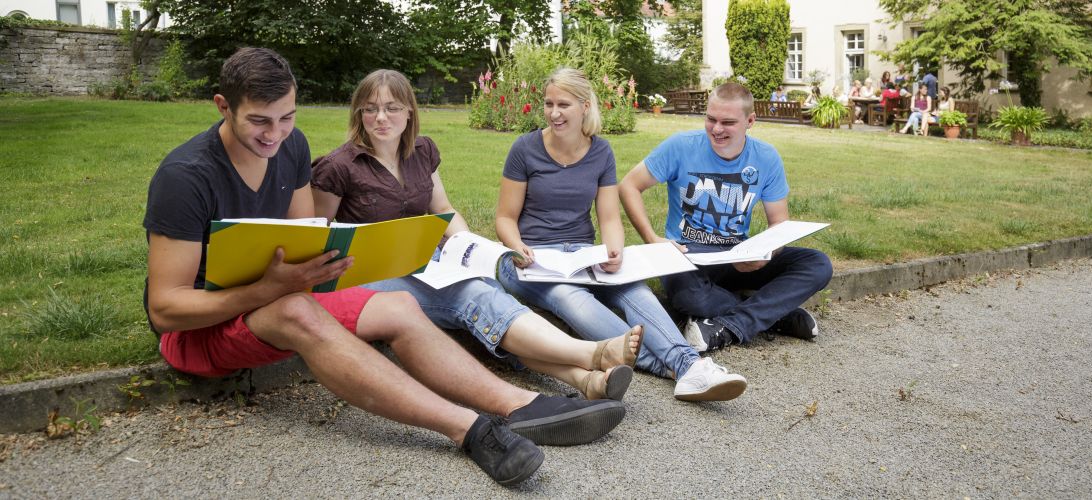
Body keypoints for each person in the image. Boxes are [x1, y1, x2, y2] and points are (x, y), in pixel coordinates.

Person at [142, 48, 624, 488]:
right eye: (258, 121)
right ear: (223, 106)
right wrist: (269, 288)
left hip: (275, 296)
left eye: (286, 117)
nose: (274, 134)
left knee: (398, 305)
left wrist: (316, 267)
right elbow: (166, 311)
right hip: (203, 328)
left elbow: (304, 237)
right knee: (298, 311)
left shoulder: (290, 147)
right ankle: (469, 429)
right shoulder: (186, 177)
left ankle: (519, 405)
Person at [311, 69, 640, 402]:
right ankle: (592, 354)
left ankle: (585, 381)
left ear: (409, 111)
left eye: (391, 108)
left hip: (423, 260)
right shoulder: (339, 166)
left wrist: (470, 247)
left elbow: (443, 209)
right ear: (359, 113)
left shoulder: (421, 151)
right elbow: (316, 234)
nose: (381, 117)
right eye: (370, 109)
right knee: (473, 296)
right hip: (371, 274)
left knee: (488, 290)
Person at [495, 68, 747, 402]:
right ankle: (677, 367)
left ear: (585, 106)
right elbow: (505, 218)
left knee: (634, 289)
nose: (554, 113)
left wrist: (613, 249)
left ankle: (688, 365)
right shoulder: (525, 149)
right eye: (549, 104)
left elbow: (610, 217)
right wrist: (517, 246)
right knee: (572, 299)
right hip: (529, 260)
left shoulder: (600, 152)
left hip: (580, 253)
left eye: (563, 105)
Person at [618, 82, 834, 353]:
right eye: (711, 119)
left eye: (728, 122)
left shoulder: (766, 158)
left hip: (736, 256)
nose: (716, 129)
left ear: (750, 121)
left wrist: (765, 253)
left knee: (817, 264)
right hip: (686, 255)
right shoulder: (681, 146)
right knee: (690, 297)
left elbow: (779, 224)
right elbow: (628, 185)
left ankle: (735, 322)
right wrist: (652, 239)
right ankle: (776, 316)